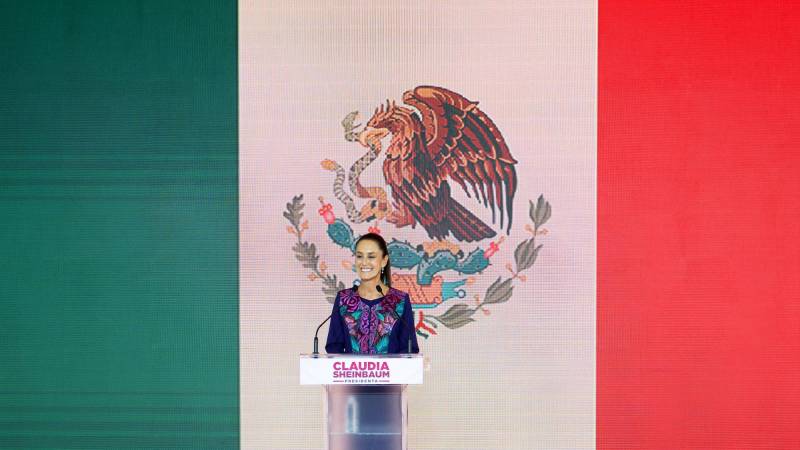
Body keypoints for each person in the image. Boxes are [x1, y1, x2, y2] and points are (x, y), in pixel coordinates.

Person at [325, 233, 420, 354]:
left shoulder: (399, 301)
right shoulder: (344, 299)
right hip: (350, 372)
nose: (364, 262)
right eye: (359, 256)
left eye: (371, 257)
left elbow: (409, 349)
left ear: (384, 261)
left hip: (392, 373)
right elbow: (334, 347)